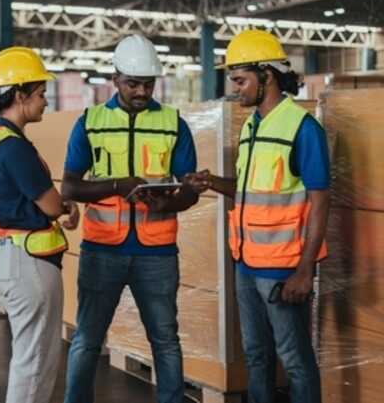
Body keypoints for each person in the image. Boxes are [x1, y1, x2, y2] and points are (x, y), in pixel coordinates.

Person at [185, 29, 329, 403]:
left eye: (240, 80)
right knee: (256, 356)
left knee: (295, 360)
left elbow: (320, 199)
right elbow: (250, 191)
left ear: (267, 75)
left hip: (283, 268)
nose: (236, 88)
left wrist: (304, 269)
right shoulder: (252, 127)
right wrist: (212, 181)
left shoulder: (302, 128)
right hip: (247, 265)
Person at [62, 34, 199, 403]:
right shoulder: (90, 123)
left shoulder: (173, 124)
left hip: (157, 252)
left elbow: (189, 189)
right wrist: (118, 185)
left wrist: (166, 204)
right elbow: (70, 188)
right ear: (116, 79)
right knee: (88, 339)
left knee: (166, 341)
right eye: (133, 83)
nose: (141, 91)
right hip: (102, 249)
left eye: (148, 84)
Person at [0, 46, 80, 403]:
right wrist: (66, 206)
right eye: (41, 93)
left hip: (14, 259)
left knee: (32, 360)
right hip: (28, 265)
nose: (46, 101)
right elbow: (49, 203)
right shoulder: (13, 147)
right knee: (34, 363)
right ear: (19, 95)